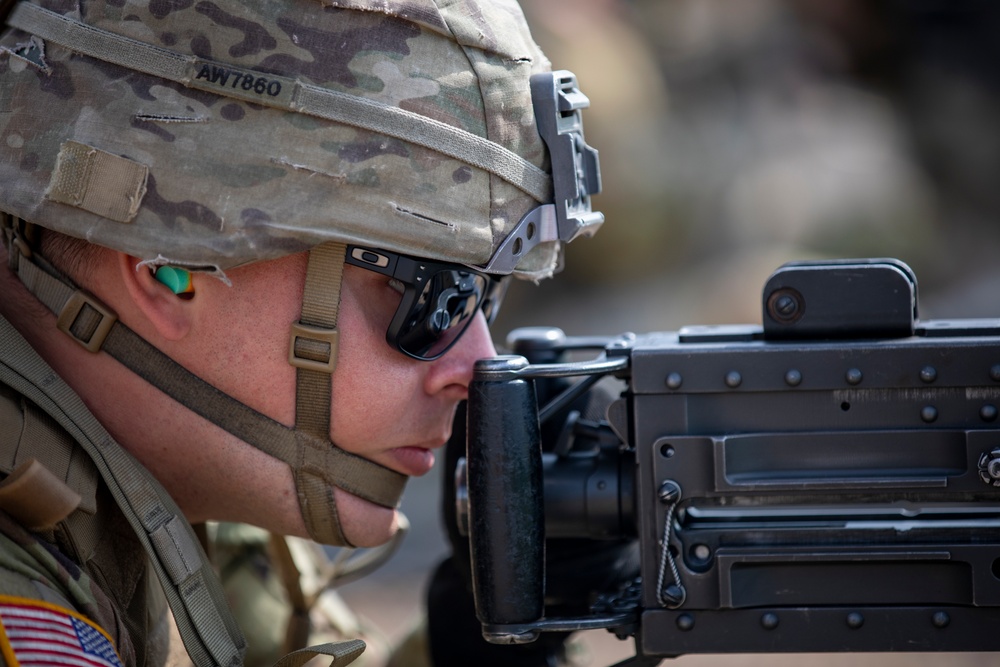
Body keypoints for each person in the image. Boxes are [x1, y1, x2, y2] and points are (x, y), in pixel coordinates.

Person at [0, 0, 602, 665]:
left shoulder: (193, 504)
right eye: (430, 294)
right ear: (174, 268)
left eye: (486, 295)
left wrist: (474, 645)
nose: (479, 365)